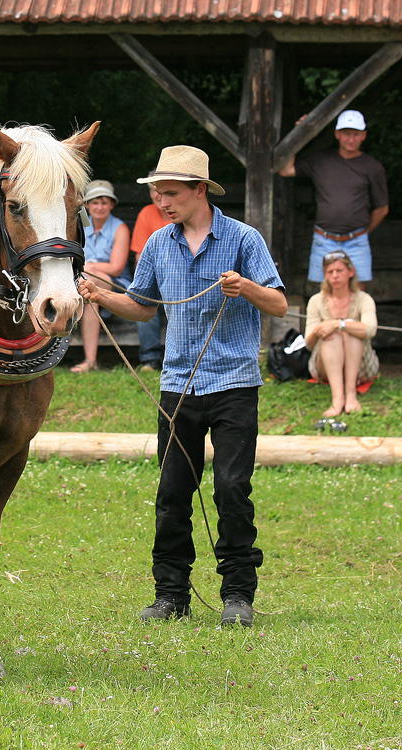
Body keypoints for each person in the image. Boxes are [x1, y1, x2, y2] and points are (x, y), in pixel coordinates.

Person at [79, 145, 287, 628]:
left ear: (199, 190)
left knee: (232, 489)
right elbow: (143, 307)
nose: (161, 200)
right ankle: (171, 594)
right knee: (173, 492)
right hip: (177, 387)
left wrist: (247, 289)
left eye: (170, 192)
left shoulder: (243, 239)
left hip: (235, 384)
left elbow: (276, 304)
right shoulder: (157, 243)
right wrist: (102, 295)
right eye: (156, 191)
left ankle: (238, 594)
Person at [277, 110, 389, 289]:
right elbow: (286, 170)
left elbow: (382, 208)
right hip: (324, 238)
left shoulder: (373, 167)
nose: (351, 139)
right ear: (337, 134)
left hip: (357, 240)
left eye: (356, 134)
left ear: (364, 136)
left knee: (357, 294)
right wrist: (299, 134)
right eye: (346, 134)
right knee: (322, 293)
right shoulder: (321, 160)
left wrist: (363, 233)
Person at [304, 250, 378, 417]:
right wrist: (321, 328)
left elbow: (370, 330)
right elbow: (308, 344)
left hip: (362, 367)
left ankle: (351, 395)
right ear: (325, 275)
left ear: (351, 272)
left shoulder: (364, 299)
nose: (335, 276)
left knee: (350, 328)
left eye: (340, 271)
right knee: (332, 334)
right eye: (330, 272)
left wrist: (339, 324)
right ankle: (337, 399)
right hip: (324, 365)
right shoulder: (316, 300)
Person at [69, 179, 132, 374]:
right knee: (88, 288)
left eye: (105, 202)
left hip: (114, 283)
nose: (100, 207)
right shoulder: (78, 225)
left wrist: (90, 266)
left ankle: (90, 360)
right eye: (95, 202)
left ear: (112, 205)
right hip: (83, 280)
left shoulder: (120, 228)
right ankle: (86, 359)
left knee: (91, 282)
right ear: (86, 204)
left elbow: (116, 267)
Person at [130, 183, 171, 371]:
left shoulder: (182, 214)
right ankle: (150, 359)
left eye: (162, 189)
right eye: (154, 190)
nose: (158, 195)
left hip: (180, 280)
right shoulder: (146, 213)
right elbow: (139, 257)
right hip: (155, 278)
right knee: (144, 302)